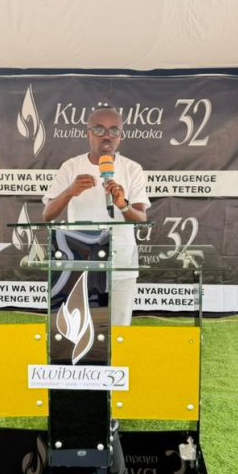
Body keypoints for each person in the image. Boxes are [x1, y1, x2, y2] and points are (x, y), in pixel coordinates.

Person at [42, 107, 150, 326]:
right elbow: (47, 215)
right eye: (99, 129)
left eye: (114, 130)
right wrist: (69, 192)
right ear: (88, 133)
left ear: (121, 136)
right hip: (78, 260)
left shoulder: (132, 169)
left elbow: (141, 219)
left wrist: (123, 205)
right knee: (78, 328)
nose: (107, 136)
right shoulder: (71, 167)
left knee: (119, 328)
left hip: (121, 262)